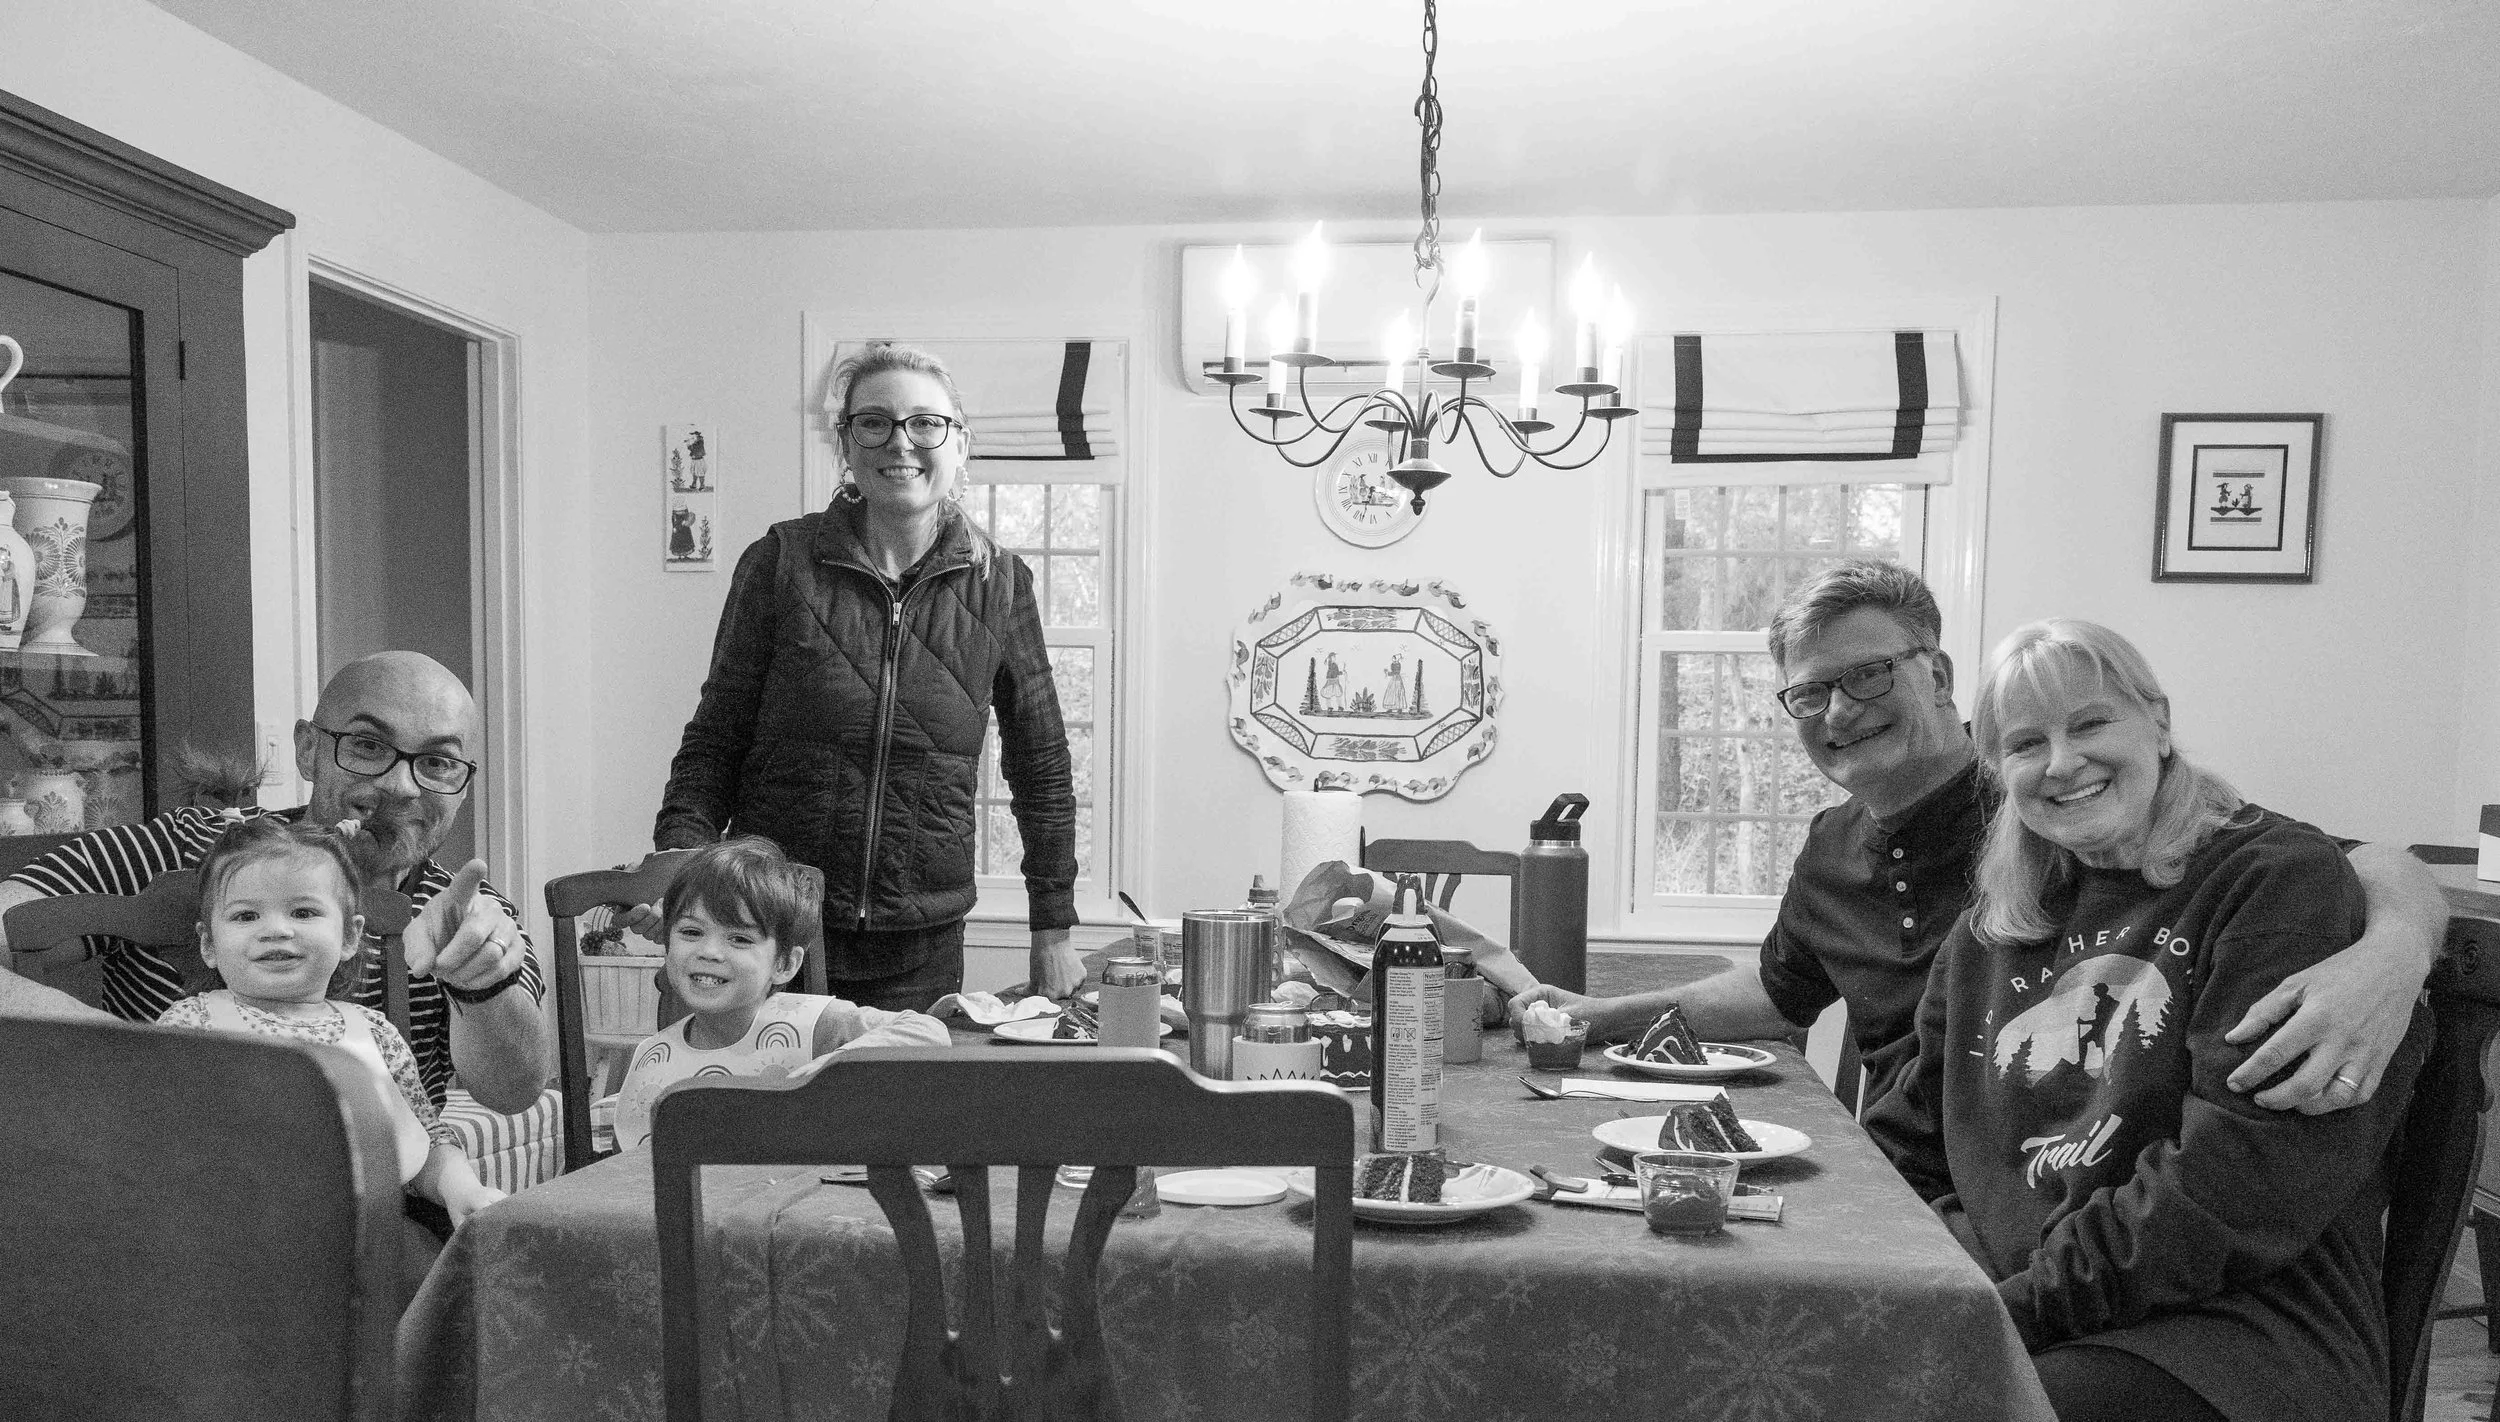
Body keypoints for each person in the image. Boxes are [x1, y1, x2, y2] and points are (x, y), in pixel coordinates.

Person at [1511, 560, 2445, 1115]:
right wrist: (1597, 1015)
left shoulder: (2050, 803)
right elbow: (1778, 992)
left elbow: (2343, 862)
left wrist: (2398, 950)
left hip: (2041, 1175)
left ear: (1940, 674)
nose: (1839, 710)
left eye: (1869, 675)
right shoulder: (1831, 845)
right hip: (1907, 1165)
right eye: (1810, 692)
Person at [1862, 619, 2427, 1422]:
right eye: (2026, 744)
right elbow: (1905, 1148)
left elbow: (2234, 1191)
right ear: (1998, 769)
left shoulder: (2272, 881)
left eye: (2090, 723)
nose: (2062, 763)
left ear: (2157, 723)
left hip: (2230, 1335)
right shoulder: (1992, 929)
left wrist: (1998, 1315)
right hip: (2030, 1306)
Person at [654, 344, 1080, 1012]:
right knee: (752, 1085)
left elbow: (1041, 765)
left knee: (897, 1087)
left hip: (918, 946)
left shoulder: (1001, 585)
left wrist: (1052, 927)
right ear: (845, 444)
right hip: (765, 926)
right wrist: (680, 863)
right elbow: (716, 737)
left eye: (926, 423)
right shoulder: (780, 561)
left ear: (960, 445)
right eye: (875, 422)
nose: (900, 442)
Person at [0, 651, 547, 1117]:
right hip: (168, 1182)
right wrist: (133, 1058)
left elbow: (514, 1093)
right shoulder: (190, 846)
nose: (402, 785)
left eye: (438, 762)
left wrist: (483, 986)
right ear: (308, 749)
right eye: (367, 745)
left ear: (463, 783)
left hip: (380, 1195)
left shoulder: (467, 913)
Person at [159, 817, 504, 1225]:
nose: (276, 930)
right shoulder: (191, 1027)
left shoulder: (377, 1035)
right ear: (209, 944)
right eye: (246, 916)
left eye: (303, 912)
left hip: (369, 1237)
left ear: (349, 937)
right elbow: (149, 1142)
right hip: (230, 1236)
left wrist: (461, 1188)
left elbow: (421, 1141)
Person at [610, 837, 948, 1151]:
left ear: (785, 964)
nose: (709, 952)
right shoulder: (651, 1057)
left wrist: (827, 1072)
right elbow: (629, 1172)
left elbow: (927, 1032)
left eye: (739, 939)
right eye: (691, 932)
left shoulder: (815, 1026)